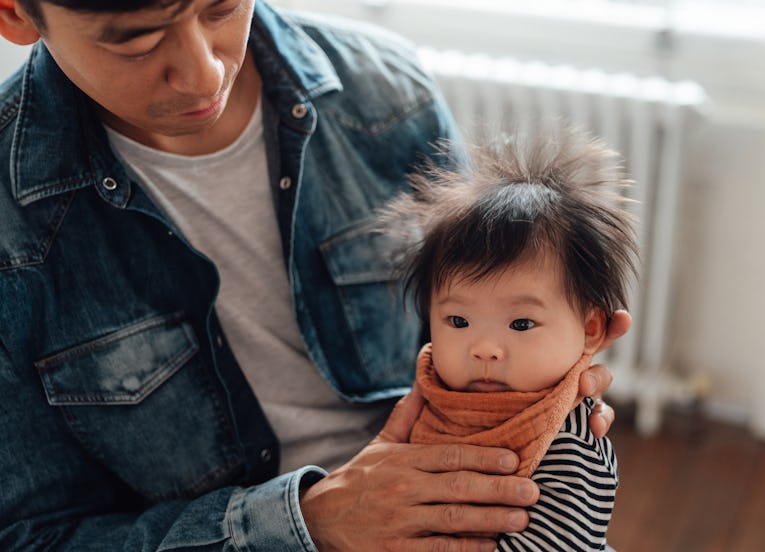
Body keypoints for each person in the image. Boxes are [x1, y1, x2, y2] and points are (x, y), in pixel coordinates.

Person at [0, 1, 627, 550]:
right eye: (136, 38)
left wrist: (539, 379)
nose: (204, 72)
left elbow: (479, 319)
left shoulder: (388, 96)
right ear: (16, 14)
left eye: (220, 7)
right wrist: (304, 523)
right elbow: (34, 535)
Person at [378, 131, 638, 550]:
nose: (484, 348)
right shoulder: (434, 400)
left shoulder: (567, 442)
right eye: (458, 320)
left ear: (590, 330)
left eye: (520, 324)